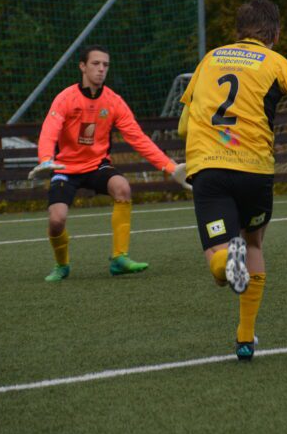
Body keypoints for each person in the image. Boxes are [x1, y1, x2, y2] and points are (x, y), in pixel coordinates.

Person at [178, 0, 287, 361]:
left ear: (237, 31)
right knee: (254, 243)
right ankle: (245, 338)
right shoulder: (278, 64)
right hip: (256, 172)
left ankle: (226, 261)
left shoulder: (209, 59)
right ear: (275, 33)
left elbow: (184, 124)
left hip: (210, 169)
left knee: (218, 260)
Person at [31, 45, 190, 282]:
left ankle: (119, 259)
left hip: (97, 166)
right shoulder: (66, 98)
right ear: (82, 66)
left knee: (122, 187)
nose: (101, 69)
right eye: (95, 64)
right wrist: (45, 159)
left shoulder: (114, 102)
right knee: (56, 220)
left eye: (105, 65)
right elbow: (49, 130)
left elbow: (138, 138)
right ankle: (62, 265)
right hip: (66, 168)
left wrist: (170, 167)